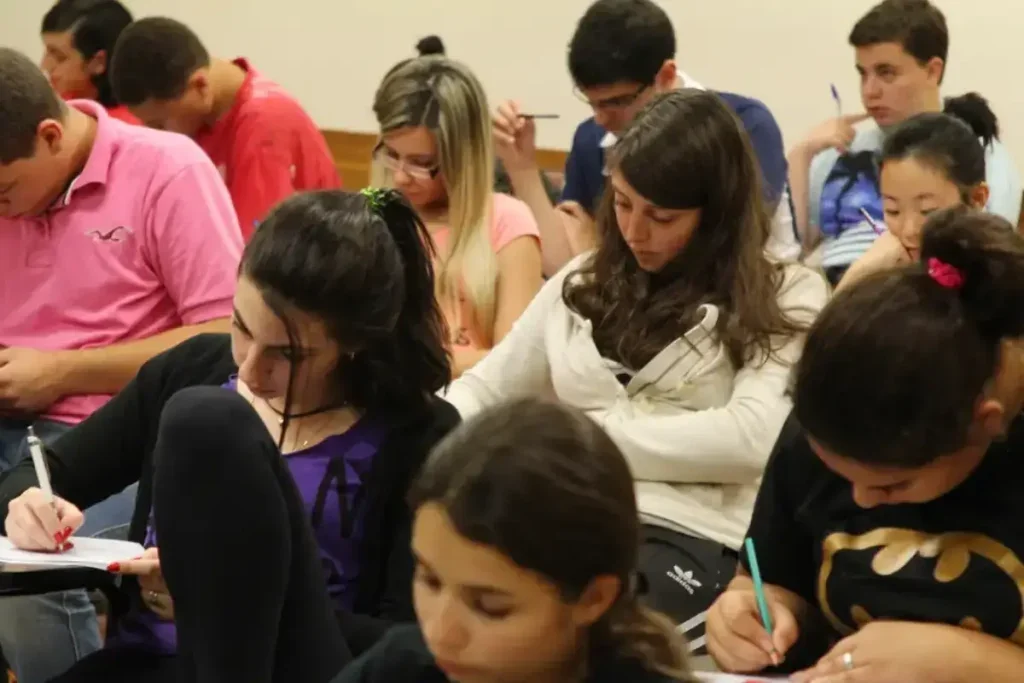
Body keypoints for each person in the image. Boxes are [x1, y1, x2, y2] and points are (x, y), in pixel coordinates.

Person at [0, 188, 460, 682]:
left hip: (305, 669)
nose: (250, 370)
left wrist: (223, 601)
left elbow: (408, 647)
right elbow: (40, 473)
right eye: (241, 329)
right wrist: (29, 507)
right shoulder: (193, 367)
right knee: (202, 413)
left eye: (288, 354)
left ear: (355, 343)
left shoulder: (418, 434)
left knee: (206, 420)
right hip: (151, 662)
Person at [444, 89, 828, 647]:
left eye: (661, 216)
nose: (634, 231)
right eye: (622, 204)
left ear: (716, 214)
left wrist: (576, 442)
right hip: (562, 517)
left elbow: (751, 438)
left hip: (694, 533)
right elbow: (482, 391)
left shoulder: (788, 292)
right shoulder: (583, 278)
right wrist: (419, 432)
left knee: (569, 639)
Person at [91, 397, 698, 682]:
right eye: (428, 580)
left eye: (490, 606)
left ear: (592, 599)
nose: (443, 631)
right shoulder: (406, 667)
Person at [0, 46, 240, 682]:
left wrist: (62, 372)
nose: (1, 211)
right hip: (12, 425)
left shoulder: (167, 170)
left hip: (118, 440)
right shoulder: (15, 179)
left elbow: (224, 337)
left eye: (3, 192)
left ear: (51, 136)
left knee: (30, 569)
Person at [706, 207, 1024, 683]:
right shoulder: (828, 421)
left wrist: (974, 663)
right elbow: (774, 579)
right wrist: (752, 609)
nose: (860, 499)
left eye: (892, 486)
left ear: (984, 425)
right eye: (839, 475)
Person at [493, 0, 795, 276]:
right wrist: (522, 168)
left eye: (616, 102)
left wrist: (597, 248)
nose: (601, 119)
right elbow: (563, 267)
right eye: (592, 103)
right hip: (634, 303)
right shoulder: (592, 140)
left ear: (665, 76)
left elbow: (730, 249)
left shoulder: (745, 125)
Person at [789, 0, 1021, 284]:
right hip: (831, 290)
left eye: (886, 73)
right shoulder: (840, 149)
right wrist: (802, 155)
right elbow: (793, 250)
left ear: (932, 71)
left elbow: (985, 257)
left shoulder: (976, 155)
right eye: (863, 74)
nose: (869, 91)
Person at [372, 55, 543, 376]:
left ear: (462, 157)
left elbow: (514, 365)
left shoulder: (507, 222)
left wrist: (408, 366)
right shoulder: (372, 216)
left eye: (421, 163)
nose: (400, 177)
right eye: (391, 155)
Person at [109, 16, 341, 239]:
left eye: (160, 124)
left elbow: (254, 252)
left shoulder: (264, 125)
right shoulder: (201, 114)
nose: (157, 135)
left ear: (200, 86)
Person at [838, 106, 992, 290]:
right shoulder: (887, 273)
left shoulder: (1001, 278)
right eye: (893, 211)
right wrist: (860, 274)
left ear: (977, 199)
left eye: (927, 211)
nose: (909, 231)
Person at [40, 0, 138, 123]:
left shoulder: (127, 128)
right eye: (47, 52)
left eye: (60, 57)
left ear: (98, 63)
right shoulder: (56, 105)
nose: (44, 66)